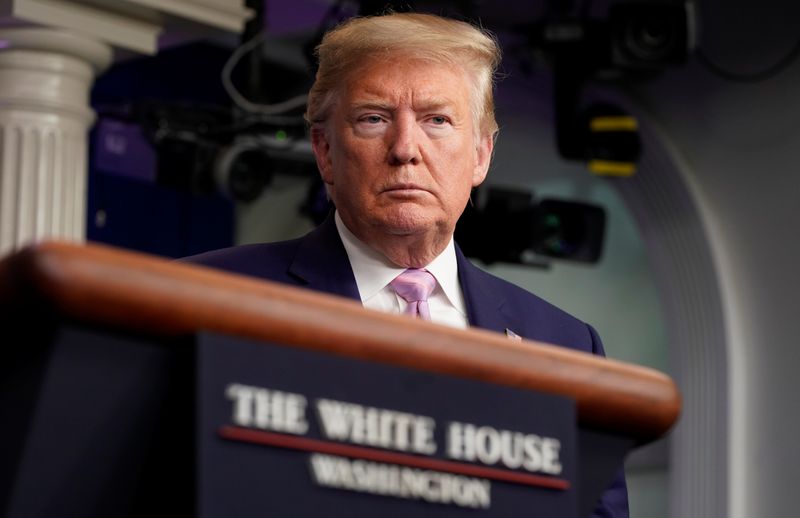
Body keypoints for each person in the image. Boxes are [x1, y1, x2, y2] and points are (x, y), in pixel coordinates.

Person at [187, 12, 628, 517]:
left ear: (481, 154)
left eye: (437, 120)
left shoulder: (566, 346)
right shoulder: (208, 297)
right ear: (325, 151)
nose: (405, 150)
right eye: (373, 118)